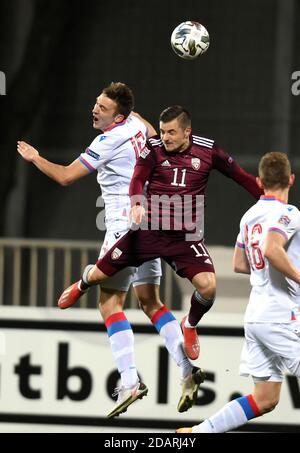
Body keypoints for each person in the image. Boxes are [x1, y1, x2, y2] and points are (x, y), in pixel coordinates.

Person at [17, 84, 202, 418]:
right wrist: (128, 111)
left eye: (101, 107)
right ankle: (187, 370)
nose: (94, 109)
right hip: (154, 220)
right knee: (150, 301)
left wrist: (36, 158)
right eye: (95, 103)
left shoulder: (106, 141)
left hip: (123, 225)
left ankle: (130, 380)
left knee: (109, 303)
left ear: (117, 115)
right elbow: (146, 126)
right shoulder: (134, 125)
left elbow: (64, 177)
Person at [58, 104, 262, 363]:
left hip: (185, 239)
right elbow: (137, 178)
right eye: (163, 131)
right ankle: (82, 283)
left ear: (187, 131)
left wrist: (267, 199)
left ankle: (189, 324)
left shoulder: (208, 150)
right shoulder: (153, 148)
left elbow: (241, 176)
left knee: (208, 287)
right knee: (99, 274)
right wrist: (136, 202)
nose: (164, 137)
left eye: (171, 133)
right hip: (148, 233)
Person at [177, 151, 300, 433]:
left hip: (256, 319)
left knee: (265, 399)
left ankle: (199, 432)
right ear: (291, 180)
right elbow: (271, 249)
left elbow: (239, 264)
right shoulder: (289, 213)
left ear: (259, 181)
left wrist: (269, 271)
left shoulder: (249, 216)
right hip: (281, 317)